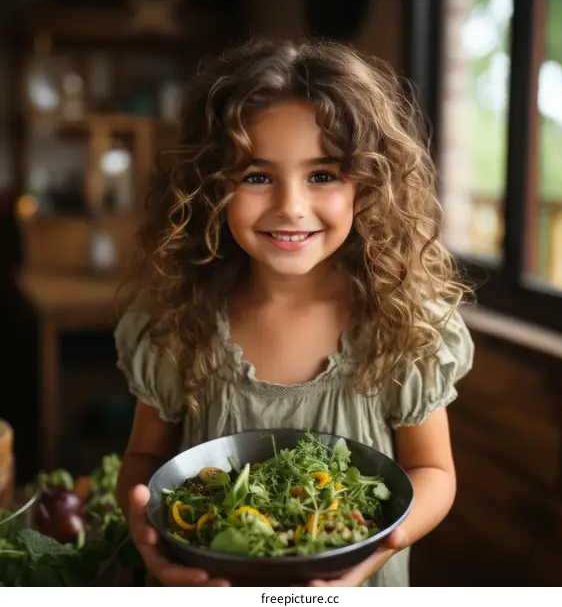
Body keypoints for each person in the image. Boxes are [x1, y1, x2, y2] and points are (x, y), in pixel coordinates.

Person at [114, 37, 475, 587]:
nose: (291, 206)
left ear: (368, 183)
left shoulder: (400, 322)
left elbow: (434, 472)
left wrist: (377, 549)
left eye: (322, 175)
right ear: (212, 186)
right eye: (256, 176)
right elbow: (143, 463)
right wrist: (150, 543)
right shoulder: (176, 321)